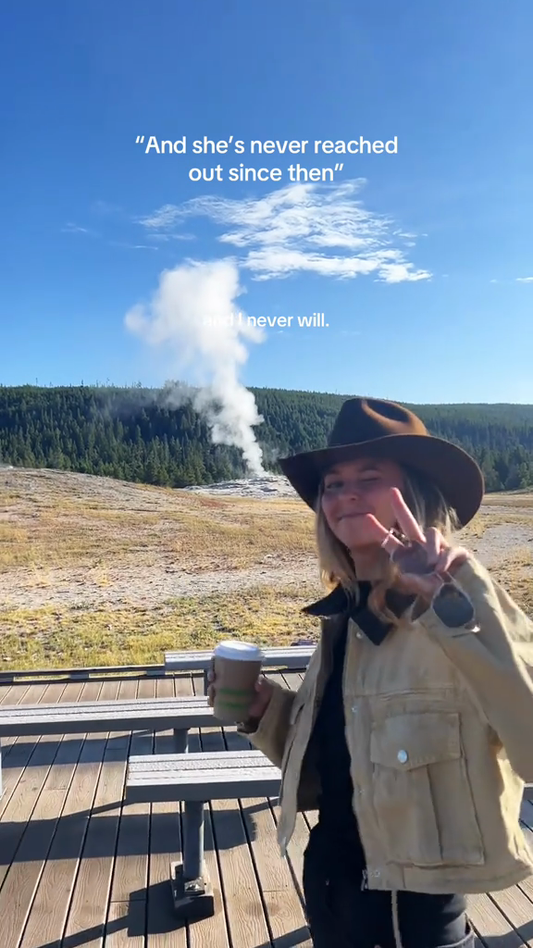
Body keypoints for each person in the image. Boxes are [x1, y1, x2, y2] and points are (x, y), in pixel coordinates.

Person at [208, 396, 533, 948]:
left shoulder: (455, 607)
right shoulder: (346, 617)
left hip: (410, 917)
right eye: (332, 483)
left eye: (369, 475)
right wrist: (267, 712)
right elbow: (343, 762)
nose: (344, 493)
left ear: (416, 493)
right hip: (330, 884)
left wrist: (456, 602)